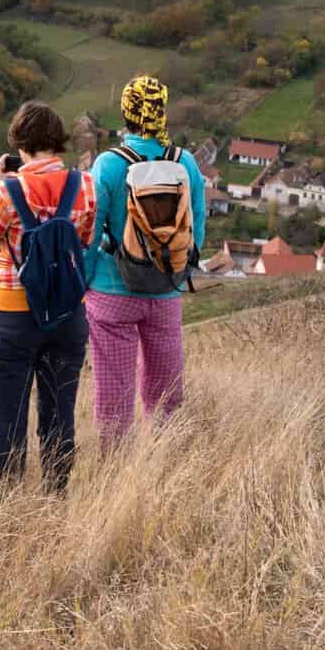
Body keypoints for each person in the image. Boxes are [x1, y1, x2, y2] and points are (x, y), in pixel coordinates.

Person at [0, 101, 96, 491]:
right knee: (60, 413)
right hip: (66, 314)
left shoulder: (9, 190)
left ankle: (7, 503)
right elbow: (85, 240)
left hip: (13, 313)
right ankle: (56, 496)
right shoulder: (85, 185)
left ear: (19, 143)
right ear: (56, 141)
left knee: (7, 415)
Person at [85, 75, 206, 447]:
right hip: (165, 291)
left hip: (112, 290)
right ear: (161, 113)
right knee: (166, 391)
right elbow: (196, 227)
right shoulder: (185, 162)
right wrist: (177, 271)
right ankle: (166, 463)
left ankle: (117, 474)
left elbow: (90, 233)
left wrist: (85, 282)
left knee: (114, 391)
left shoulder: (108, 165)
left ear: (126, 113)